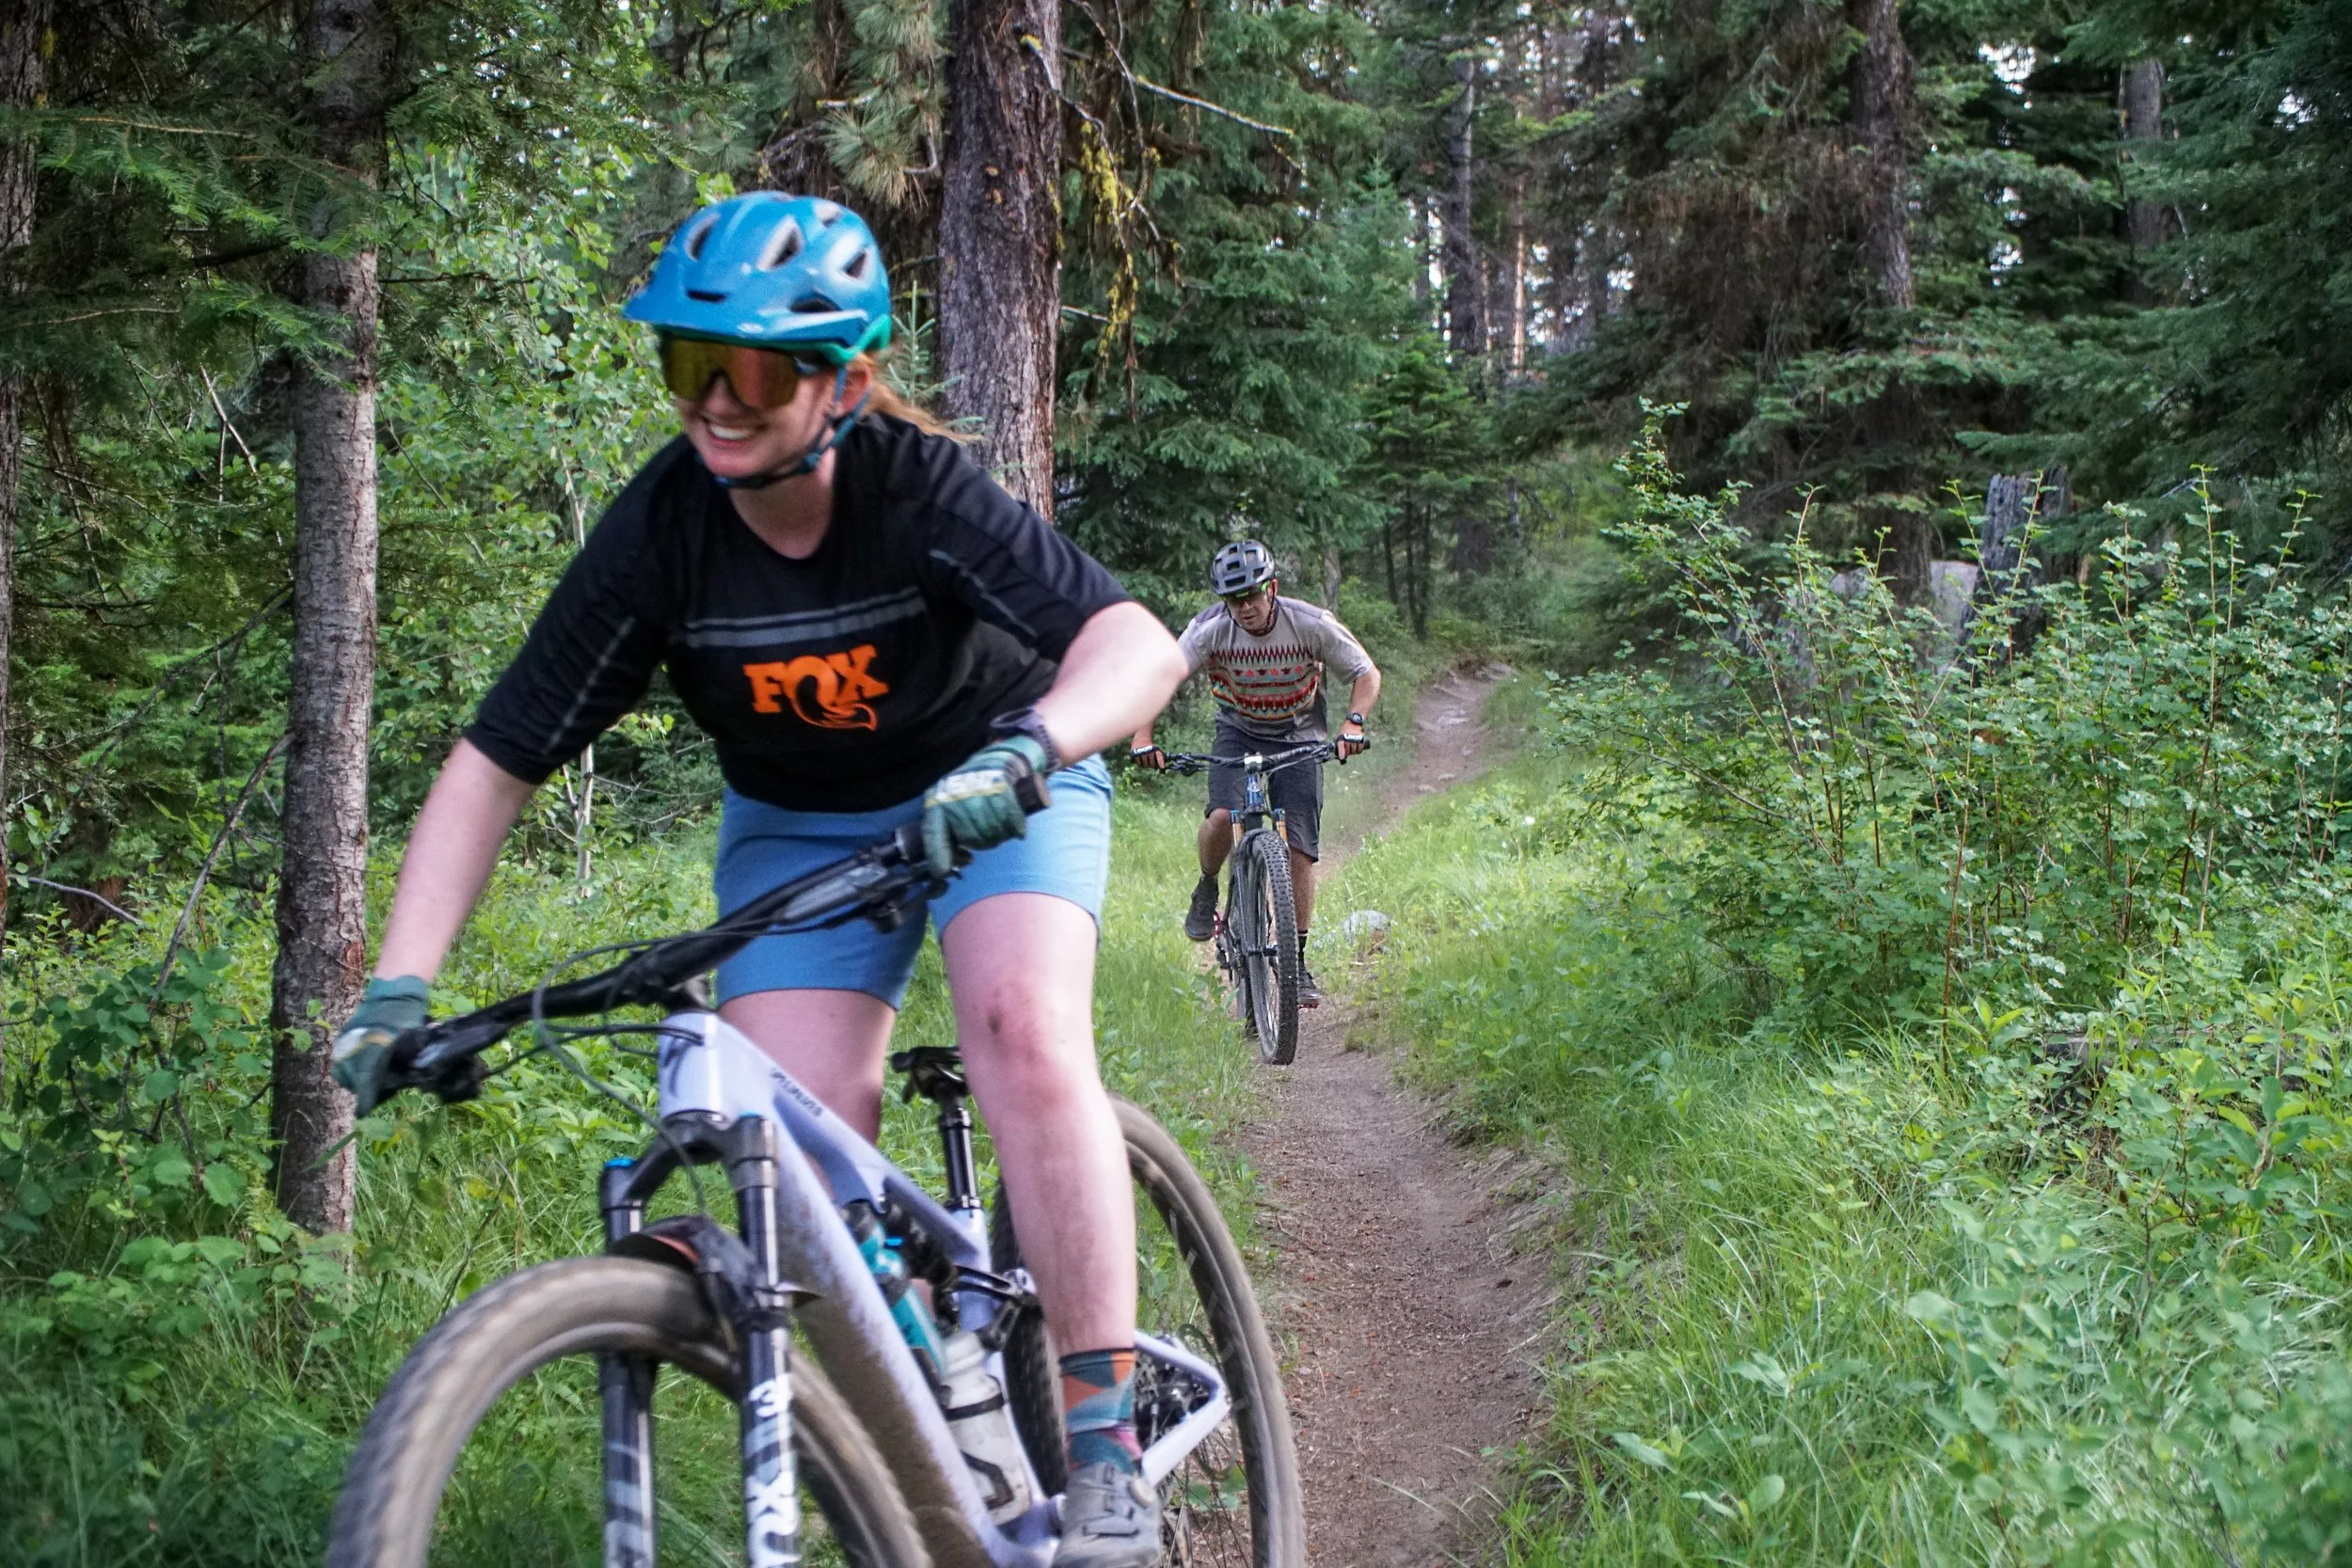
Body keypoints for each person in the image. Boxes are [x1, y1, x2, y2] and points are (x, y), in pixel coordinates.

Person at [326, 193, 1186, 1565]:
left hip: (1002, 771)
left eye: (759, 371)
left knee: (1022, 1026)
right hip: (802, 822)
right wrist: (397, 985)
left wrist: (1036, 745)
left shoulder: (914, 486)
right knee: (791, 1142)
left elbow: (1137, 643)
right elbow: (498, 754)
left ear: (843, 380)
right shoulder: (661, 532)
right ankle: (935, 1412)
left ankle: (1104, 1457)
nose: (717, 403)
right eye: (687, 365)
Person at [1129, 540, 1381, 1007]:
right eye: (1233, 598)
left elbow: (1365, 673)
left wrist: (1353, 724)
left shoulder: (1309, 623)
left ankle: (1297, 960)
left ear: (1272, 588)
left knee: (1300, 848)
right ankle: (1207, 885)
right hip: (1238, 730)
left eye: (1252, 594)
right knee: (1223, 817)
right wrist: (1142, 735)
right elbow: (1161, 679)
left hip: (1300, 731)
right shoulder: (1209, 630)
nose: (1244, 606)